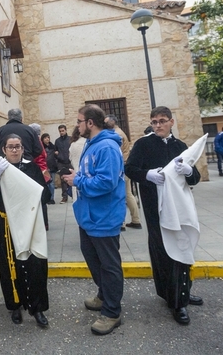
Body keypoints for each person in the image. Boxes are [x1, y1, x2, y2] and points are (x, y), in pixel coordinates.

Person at [125, 106, 203, 326]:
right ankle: (175, 300)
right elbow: (130, 169)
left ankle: (183, 292)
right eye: (154, 122)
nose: (157, 125)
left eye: (161, 121)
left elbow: (194, 177)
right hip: (155, 207)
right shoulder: (143, 144)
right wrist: (147, 175)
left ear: (172, 122)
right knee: (165, 250)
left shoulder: (180, 146)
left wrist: (189, 172)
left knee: (184, 246)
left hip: (180, 207)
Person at [63, 104, 126, 336]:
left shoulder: (107, 147)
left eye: (79, 121)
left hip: (104, 216)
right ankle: (104, 295)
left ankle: (112, 312)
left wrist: (77, 182)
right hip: (89, 216)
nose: (77, 125)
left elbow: (107, 182)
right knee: (94, 259)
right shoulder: (92, 144)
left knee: (109, 265)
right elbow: (91, 174)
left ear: (90, 123)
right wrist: (76, 176)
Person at [0, 134, 50, 328]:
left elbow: (44, 194)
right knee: (10, 264)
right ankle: (15, 305)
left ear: (22, 149)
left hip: (29, 222)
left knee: (35, 263)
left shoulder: (32, 168)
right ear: (3, 149)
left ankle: (37, 308)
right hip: (6, 223)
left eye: (17, 146)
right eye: (10, 147)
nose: (14, 150)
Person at [105, 115, 142, 230]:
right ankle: (135, 220)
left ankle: (122, 222)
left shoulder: (117, 134)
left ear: (112, 122)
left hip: (121, 167)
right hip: (124, 165)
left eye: (106, 122)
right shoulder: (117, 132)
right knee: (127, 194)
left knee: (121, 194)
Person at [55, 124, 72, 203]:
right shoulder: (57, 141)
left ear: (66, 130)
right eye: (60, 131)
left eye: (63, 131)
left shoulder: (70, 139)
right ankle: (64, 197)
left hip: (70, 162)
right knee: (63, 180)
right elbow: (55, 151)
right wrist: (58, 155)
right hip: (61, 162)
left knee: (72, 178)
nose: (61, 132)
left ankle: (73, 195)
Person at [41, 133, 57, 204]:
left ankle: (52, 198)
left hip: (52, 167)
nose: (47, 139)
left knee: (52, 184)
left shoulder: (52, 146)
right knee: (46, 183)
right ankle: (47, 197)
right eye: (45, 138)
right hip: (45, 167)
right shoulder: (41, 147)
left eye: (48, 137)